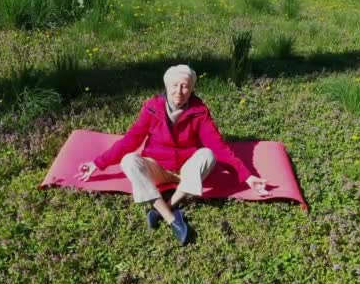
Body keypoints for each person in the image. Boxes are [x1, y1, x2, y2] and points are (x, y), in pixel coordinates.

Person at [75, 65, 271, 245]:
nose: (179, 91)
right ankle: (171, 219)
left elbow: (218, 147)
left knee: (208, 155)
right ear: (166, 86)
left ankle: (167, 206)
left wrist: (247, 176)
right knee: (129, 161)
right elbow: (131, 140)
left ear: (192, 88)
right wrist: (97, 163)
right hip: (157, 168)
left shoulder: (199, 111)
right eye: (175, 85)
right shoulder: (152, 108)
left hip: (186, 170)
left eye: (185, 86)